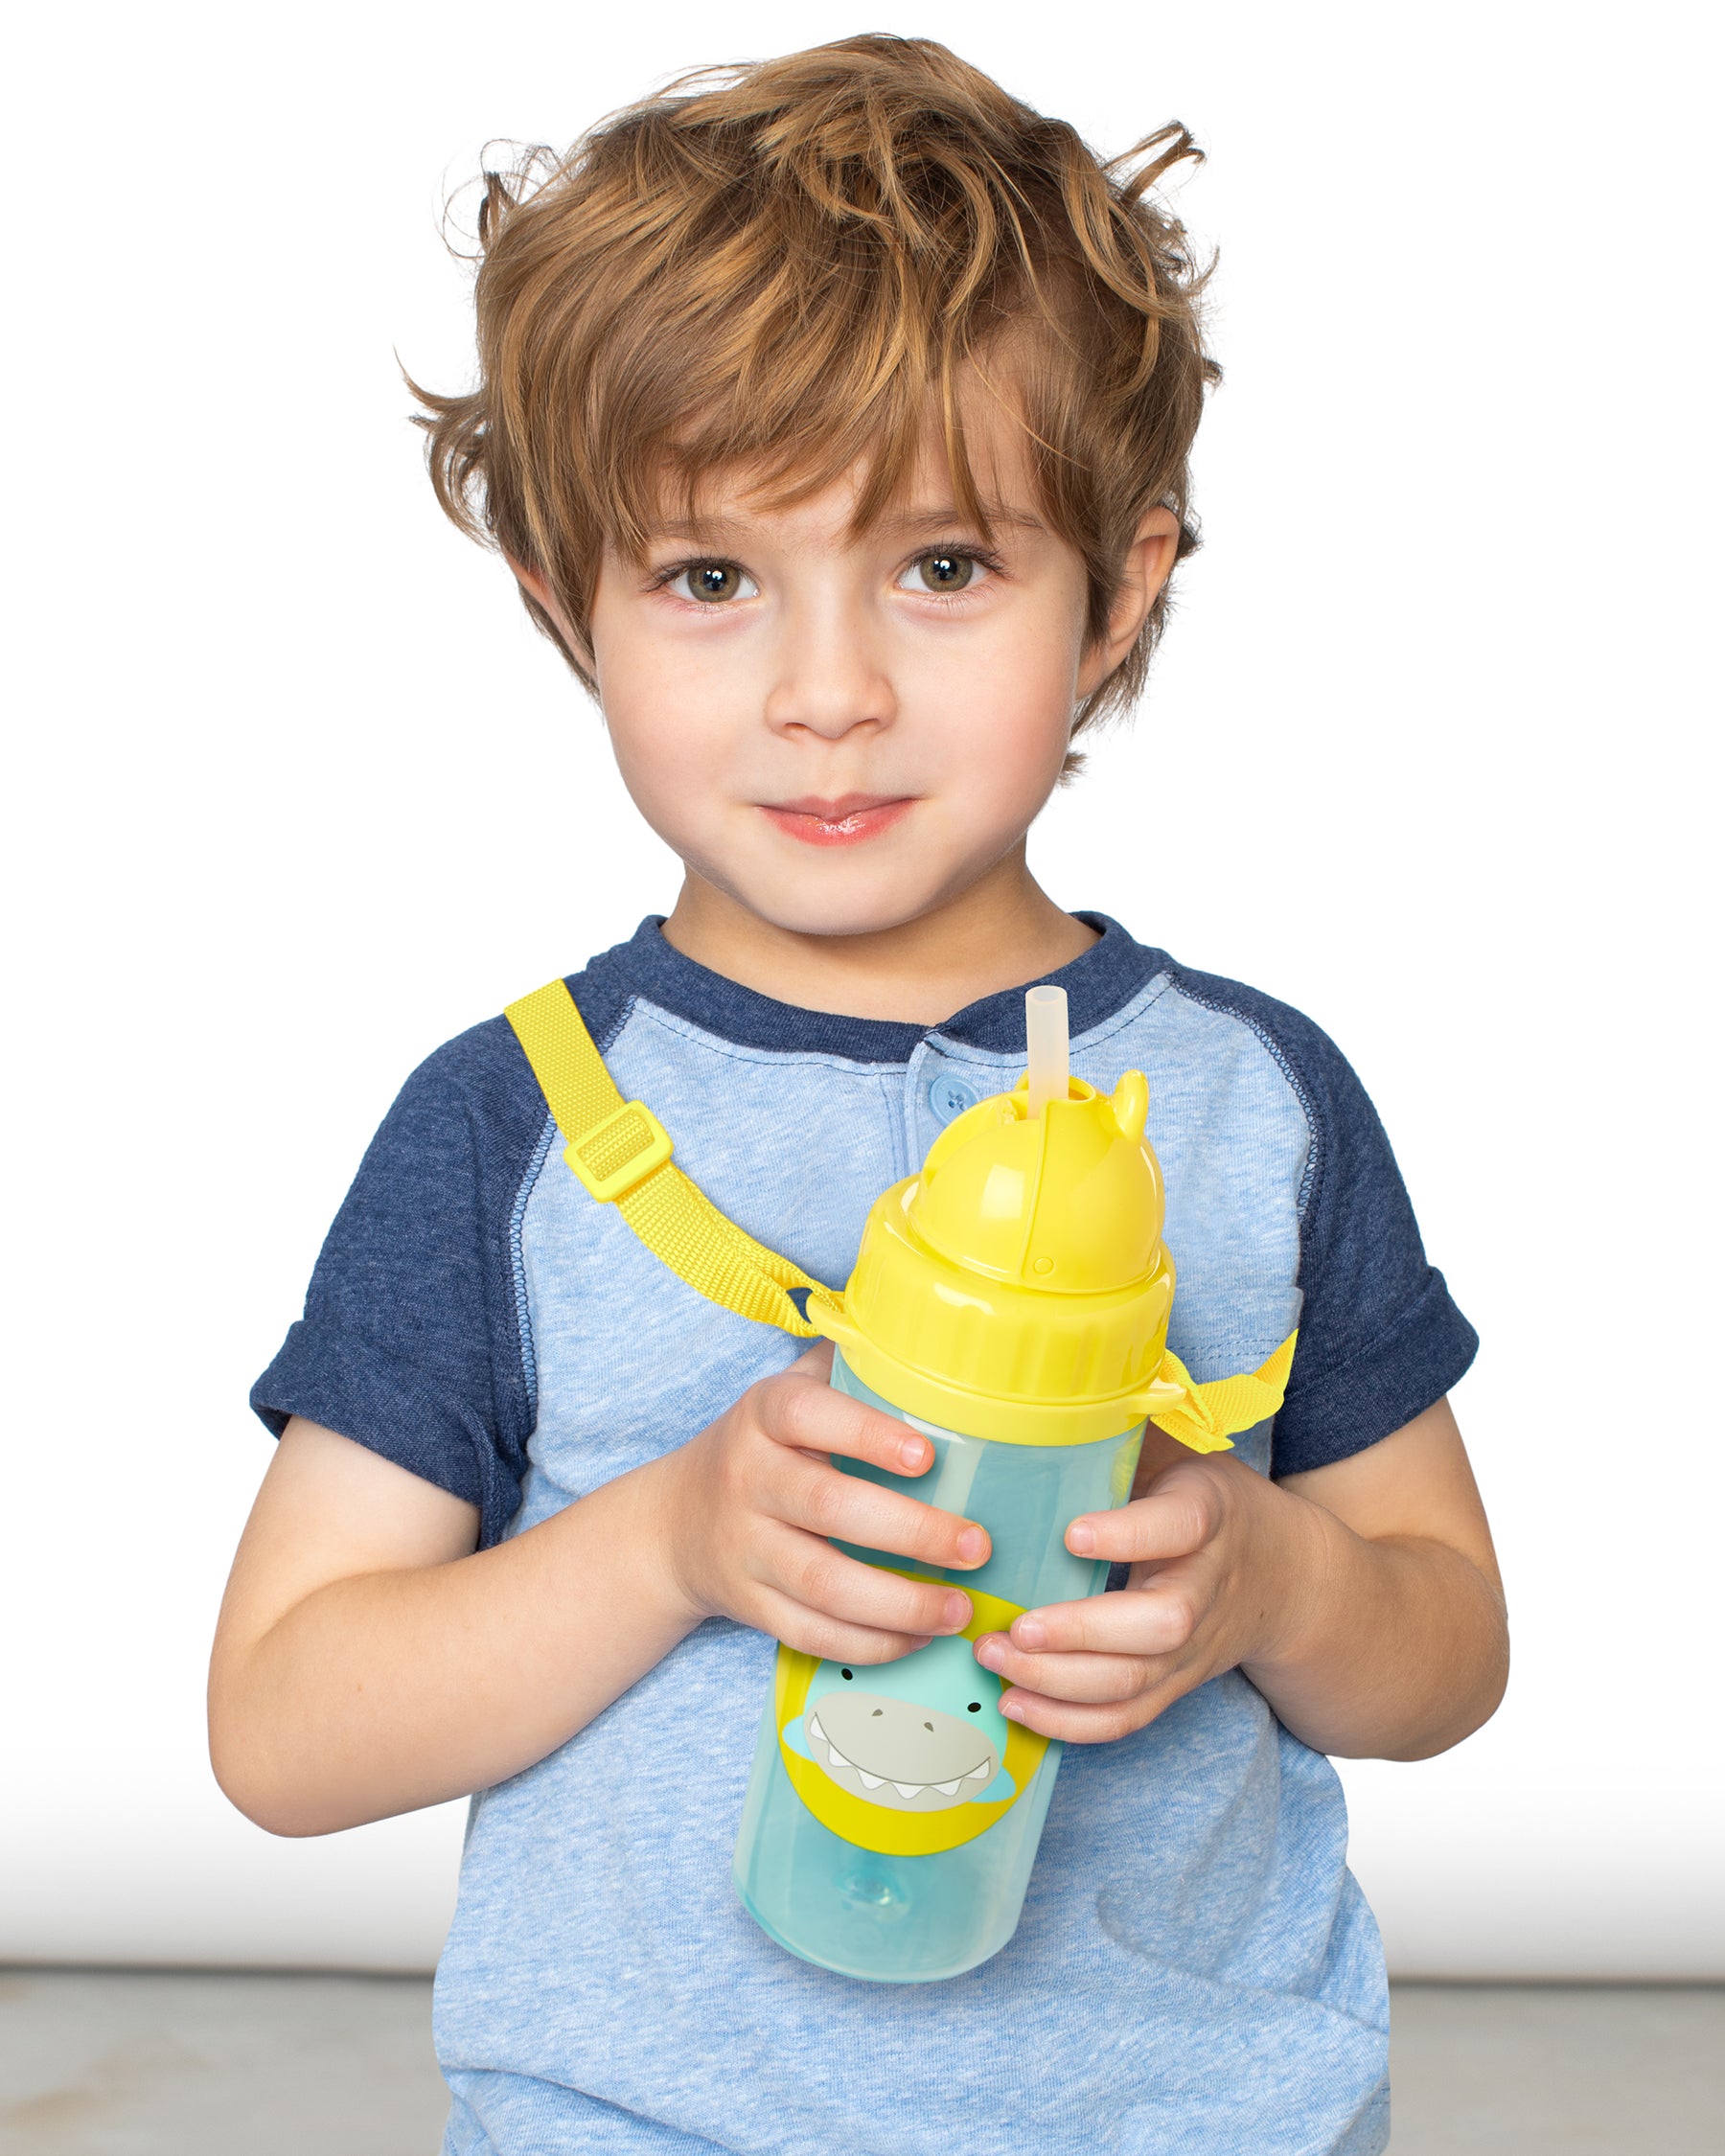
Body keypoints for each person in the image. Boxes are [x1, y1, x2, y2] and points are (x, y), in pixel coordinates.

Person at [209, 35, 1507, 2155]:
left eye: (945, 567)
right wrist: (668, 1545)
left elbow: (1447, 1648)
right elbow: (284, 1724)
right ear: (567, 606)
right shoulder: (512, 1129)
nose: (830, 693)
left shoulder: (1252, 1104)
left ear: (1120, 594)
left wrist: (1277, 1586)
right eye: (711, 578)